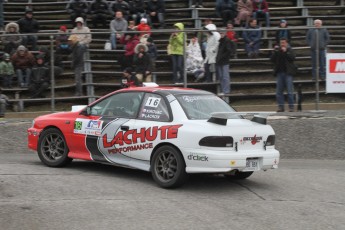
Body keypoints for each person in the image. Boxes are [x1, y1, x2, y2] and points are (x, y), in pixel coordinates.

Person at [270, 38, 296, 112]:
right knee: (279, 92)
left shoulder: (290, 50)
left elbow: (293, 58)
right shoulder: (277, 50)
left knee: (290, 91)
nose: (282, 44)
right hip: (279, 73)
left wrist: (286, 52)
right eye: (281, 43)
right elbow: (272, 60)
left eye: (284, 43)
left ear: (287, 43)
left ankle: (291, 107)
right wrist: (274, 52)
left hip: (288, 73)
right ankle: (281, 107)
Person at [216, 29, 234, 95]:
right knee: (221, 76)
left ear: (225, 34)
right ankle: (223, 90)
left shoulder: (227, 41)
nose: (221, 34)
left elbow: (228, 51)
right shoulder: (220, 41)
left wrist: (221, 57)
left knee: (225, 76)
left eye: (222, 33)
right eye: (220, 33)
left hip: (225, 61)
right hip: (219, 61)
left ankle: (226, 91)